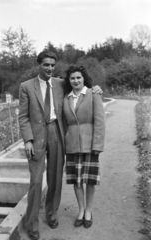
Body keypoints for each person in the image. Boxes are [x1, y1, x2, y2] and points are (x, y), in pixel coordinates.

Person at [19, 51, 102, 240]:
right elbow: (23, 116)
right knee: (36, 181)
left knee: (55, 179)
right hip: (37, 136)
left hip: (57, 133)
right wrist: (28, 140)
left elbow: (80, 88)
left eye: (52, 65)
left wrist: (95, 88)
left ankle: (52, 214)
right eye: (46, 64)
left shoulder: (59, 83)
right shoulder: (26, 87)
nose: (49, 68)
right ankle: (32, 224)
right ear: (38, 64)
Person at [63, 65, 105, 229]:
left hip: (90, 144)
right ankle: (80, 210)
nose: (75, 81)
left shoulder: (93, 94)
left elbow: (100, 121)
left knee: (89, 180)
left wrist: (98, 144)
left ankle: (88, 211)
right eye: (72, 78)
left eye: (78, 77)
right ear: (69, 81)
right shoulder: (66, 98)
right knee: (77, 181)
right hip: (72, 144)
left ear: (84, 78)